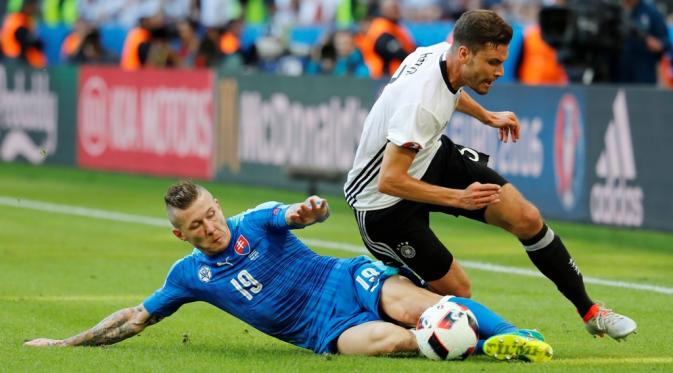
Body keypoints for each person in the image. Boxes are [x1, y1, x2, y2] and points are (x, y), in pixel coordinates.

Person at [344, 9, 636, 341]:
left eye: (501, 62)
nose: (499, 72)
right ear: (465, 53)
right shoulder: (419, 104)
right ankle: (377, 315)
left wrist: (486, 116)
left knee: (525, 217)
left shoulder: (440, 54)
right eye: (493, 63)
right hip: (382, 204)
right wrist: (459, 198)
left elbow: (450, 89)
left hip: (430, 158)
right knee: (457, 292)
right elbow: (390, 180)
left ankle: (591, 311)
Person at [25, 180, 553, 362]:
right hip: (324, 331)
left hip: (345, 279)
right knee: (399, 342)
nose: (210, 226)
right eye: (196, 225)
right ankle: (488, 349)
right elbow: (135, 319)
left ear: (218, 206)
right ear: (180, 235)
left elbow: (303, 213)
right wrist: (66, 345)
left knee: (426, 309)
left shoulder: (255, 221)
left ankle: (514, 335)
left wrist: (309, 212)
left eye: (211, 213)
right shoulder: (189, 276)